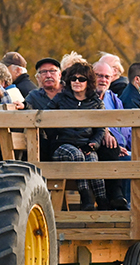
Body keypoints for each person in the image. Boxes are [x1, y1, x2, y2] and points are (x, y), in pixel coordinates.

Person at [46, 62, 108, 211]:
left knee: (92, 159)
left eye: (82, 79)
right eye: (73, 78)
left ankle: (102, 201)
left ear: (89, 82)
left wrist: (93, 143)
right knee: (76, 155)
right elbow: (45, 119)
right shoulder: (60, 99)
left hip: (85, 143)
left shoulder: (96, 103)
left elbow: (101, 129)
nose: (77, 82)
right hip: (62, 145)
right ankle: (85, 197)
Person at [94, 61, 131, 210]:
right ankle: (124, 208)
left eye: (107, 77)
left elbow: (126, 128)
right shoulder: (86, 96)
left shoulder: (113, 98)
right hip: (95, 147)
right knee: (133, 163)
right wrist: (106, 132)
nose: (103, 80)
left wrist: (123, 146)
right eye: (99, 76)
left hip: (119, 147)